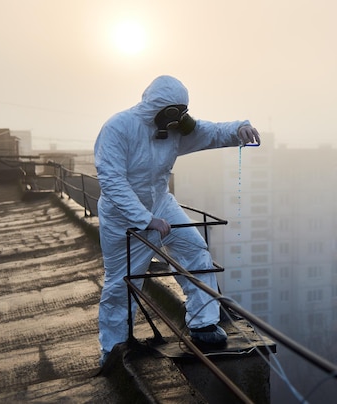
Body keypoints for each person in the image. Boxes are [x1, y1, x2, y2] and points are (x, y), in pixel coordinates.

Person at [94, 75, 260, 366]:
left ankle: (203, 323)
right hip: (123, 219)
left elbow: (210, 132)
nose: (178, 120)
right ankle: (114, 347)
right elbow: (112, 181)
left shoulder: (174, 131)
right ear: (159, 109)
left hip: (160, 203)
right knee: (120, 285)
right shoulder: (118, 128)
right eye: (174, 113)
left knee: (195, 249)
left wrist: (239, 129)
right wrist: (145, 219)